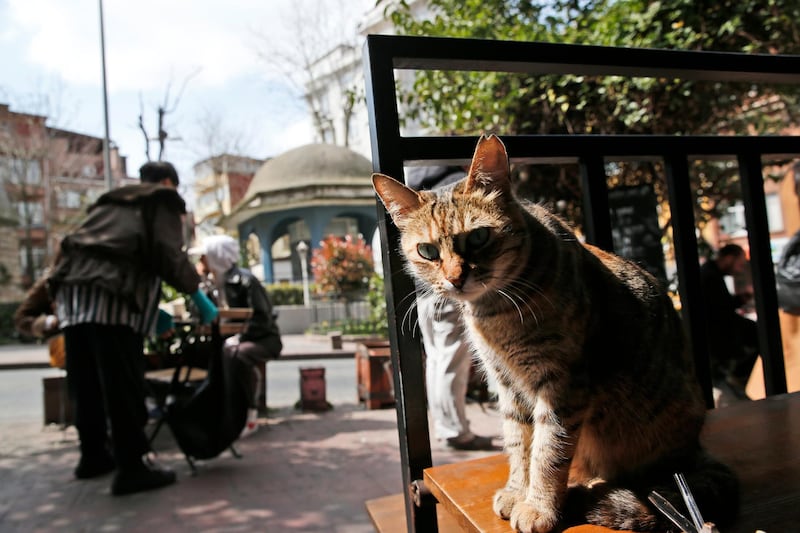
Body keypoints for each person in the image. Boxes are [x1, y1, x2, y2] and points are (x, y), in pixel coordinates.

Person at [46, 161, 219, 496]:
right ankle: (132, 468)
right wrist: (195, 291)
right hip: (111, 294)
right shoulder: (162, 200)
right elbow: (168, 256)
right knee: (122, 383)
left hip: (71, 293)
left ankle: (92, 456)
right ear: (169, 182)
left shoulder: (111, 202)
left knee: (87, 383)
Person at [406, 165, 495, 451]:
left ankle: (447, 426)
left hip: (425, 292)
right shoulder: (454, 193)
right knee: (451, 359)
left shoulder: (421, 208)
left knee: (436, 358)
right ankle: (454, 431)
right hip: (447, 295)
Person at [190, 234, 282, 437]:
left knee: (235, 355)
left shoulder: (246, 280)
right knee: (200, 353)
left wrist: (239, 337)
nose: (200, 262)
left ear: (216, 256)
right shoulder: (209, 285)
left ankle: (246, 413)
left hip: (262, 339)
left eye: (203, 257)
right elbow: (197, 314)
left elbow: (262, 318)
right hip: (225, 342)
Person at [699, 243, 759, 398]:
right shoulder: (710, 275)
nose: (740, 269)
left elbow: (722, 306)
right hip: (718, 337)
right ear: (729, 258)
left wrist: (740, 299)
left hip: (717, 336)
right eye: (740, 263)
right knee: (759, 333)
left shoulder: (710, 273)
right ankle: (739, 375)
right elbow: (721, 311)